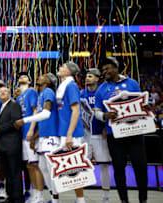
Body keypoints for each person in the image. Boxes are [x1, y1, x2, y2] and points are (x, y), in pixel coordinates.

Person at [94, 57, 148, 203]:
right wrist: (105, 115)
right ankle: (124, 200)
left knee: (141, 167)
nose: (105, 72)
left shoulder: (132, 83)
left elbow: (141, 102)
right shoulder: (101, 89)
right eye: (103, 70)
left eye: (108, 68)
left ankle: (143, 199)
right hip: (115, 136)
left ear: (116, 68)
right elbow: (97, 112)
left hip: (135, 133)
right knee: (119, 170)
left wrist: (146, 106)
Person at [14, 73, 60, 203]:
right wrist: (35, 135)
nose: (40, 76)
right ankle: (46, 196)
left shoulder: (48, 92)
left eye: (44, 76)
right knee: (40, 167)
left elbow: (46, 113)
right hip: (41, 134)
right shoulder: (41, 94)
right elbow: (41, 117)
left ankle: (51, 198)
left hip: (50, 135)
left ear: (49, 81)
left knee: (47, 169)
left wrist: (26, 122)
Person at [56, 62, 86, 203]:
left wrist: (69, 134)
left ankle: (80, 200)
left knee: (75, 169)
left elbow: (76, 110)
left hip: (71, 133)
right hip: (63, 131)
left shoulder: (71, 86)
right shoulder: (62, 87)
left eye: (63, 67)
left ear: (68, 72)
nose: (60, 68)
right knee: (67, 168)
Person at [80, 68, 111, 203]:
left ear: (98, 79)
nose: (87, 78)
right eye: (87, 76)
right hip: (85, 134)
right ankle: (80, 197)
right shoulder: (81, 93)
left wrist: (105, 127)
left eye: (90, 76)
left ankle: (105, 197)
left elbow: (108, 111)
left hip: (99, 133)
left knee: (103, 165)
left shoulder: (102, 93)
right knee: (81, 165)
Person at [0, 87, 23, 203]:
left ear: (10, 94)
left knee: (15, 172)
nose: (2, 93)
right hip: (3, 145)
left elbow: (15, 122)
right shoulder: (2, 107)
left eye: (5, 92)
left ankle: (18, 198)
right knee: (8, 172)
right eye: (0, 92)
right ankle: (11, 196)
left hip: (12, 144)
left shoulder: (14, 105)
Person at [16, 72, 44, 203]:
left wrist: (32, 129)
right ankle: (35, 193)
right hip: (21, 134)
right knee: (29, 166)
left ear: (29, 81)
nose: (22, 77)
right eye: (20, 76)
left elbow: (35, 111)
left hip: (29, 132)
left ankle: (39, 195)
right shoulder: (18, 97)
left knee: (35, 165)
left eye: (25, 76)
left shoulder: (31, 91)